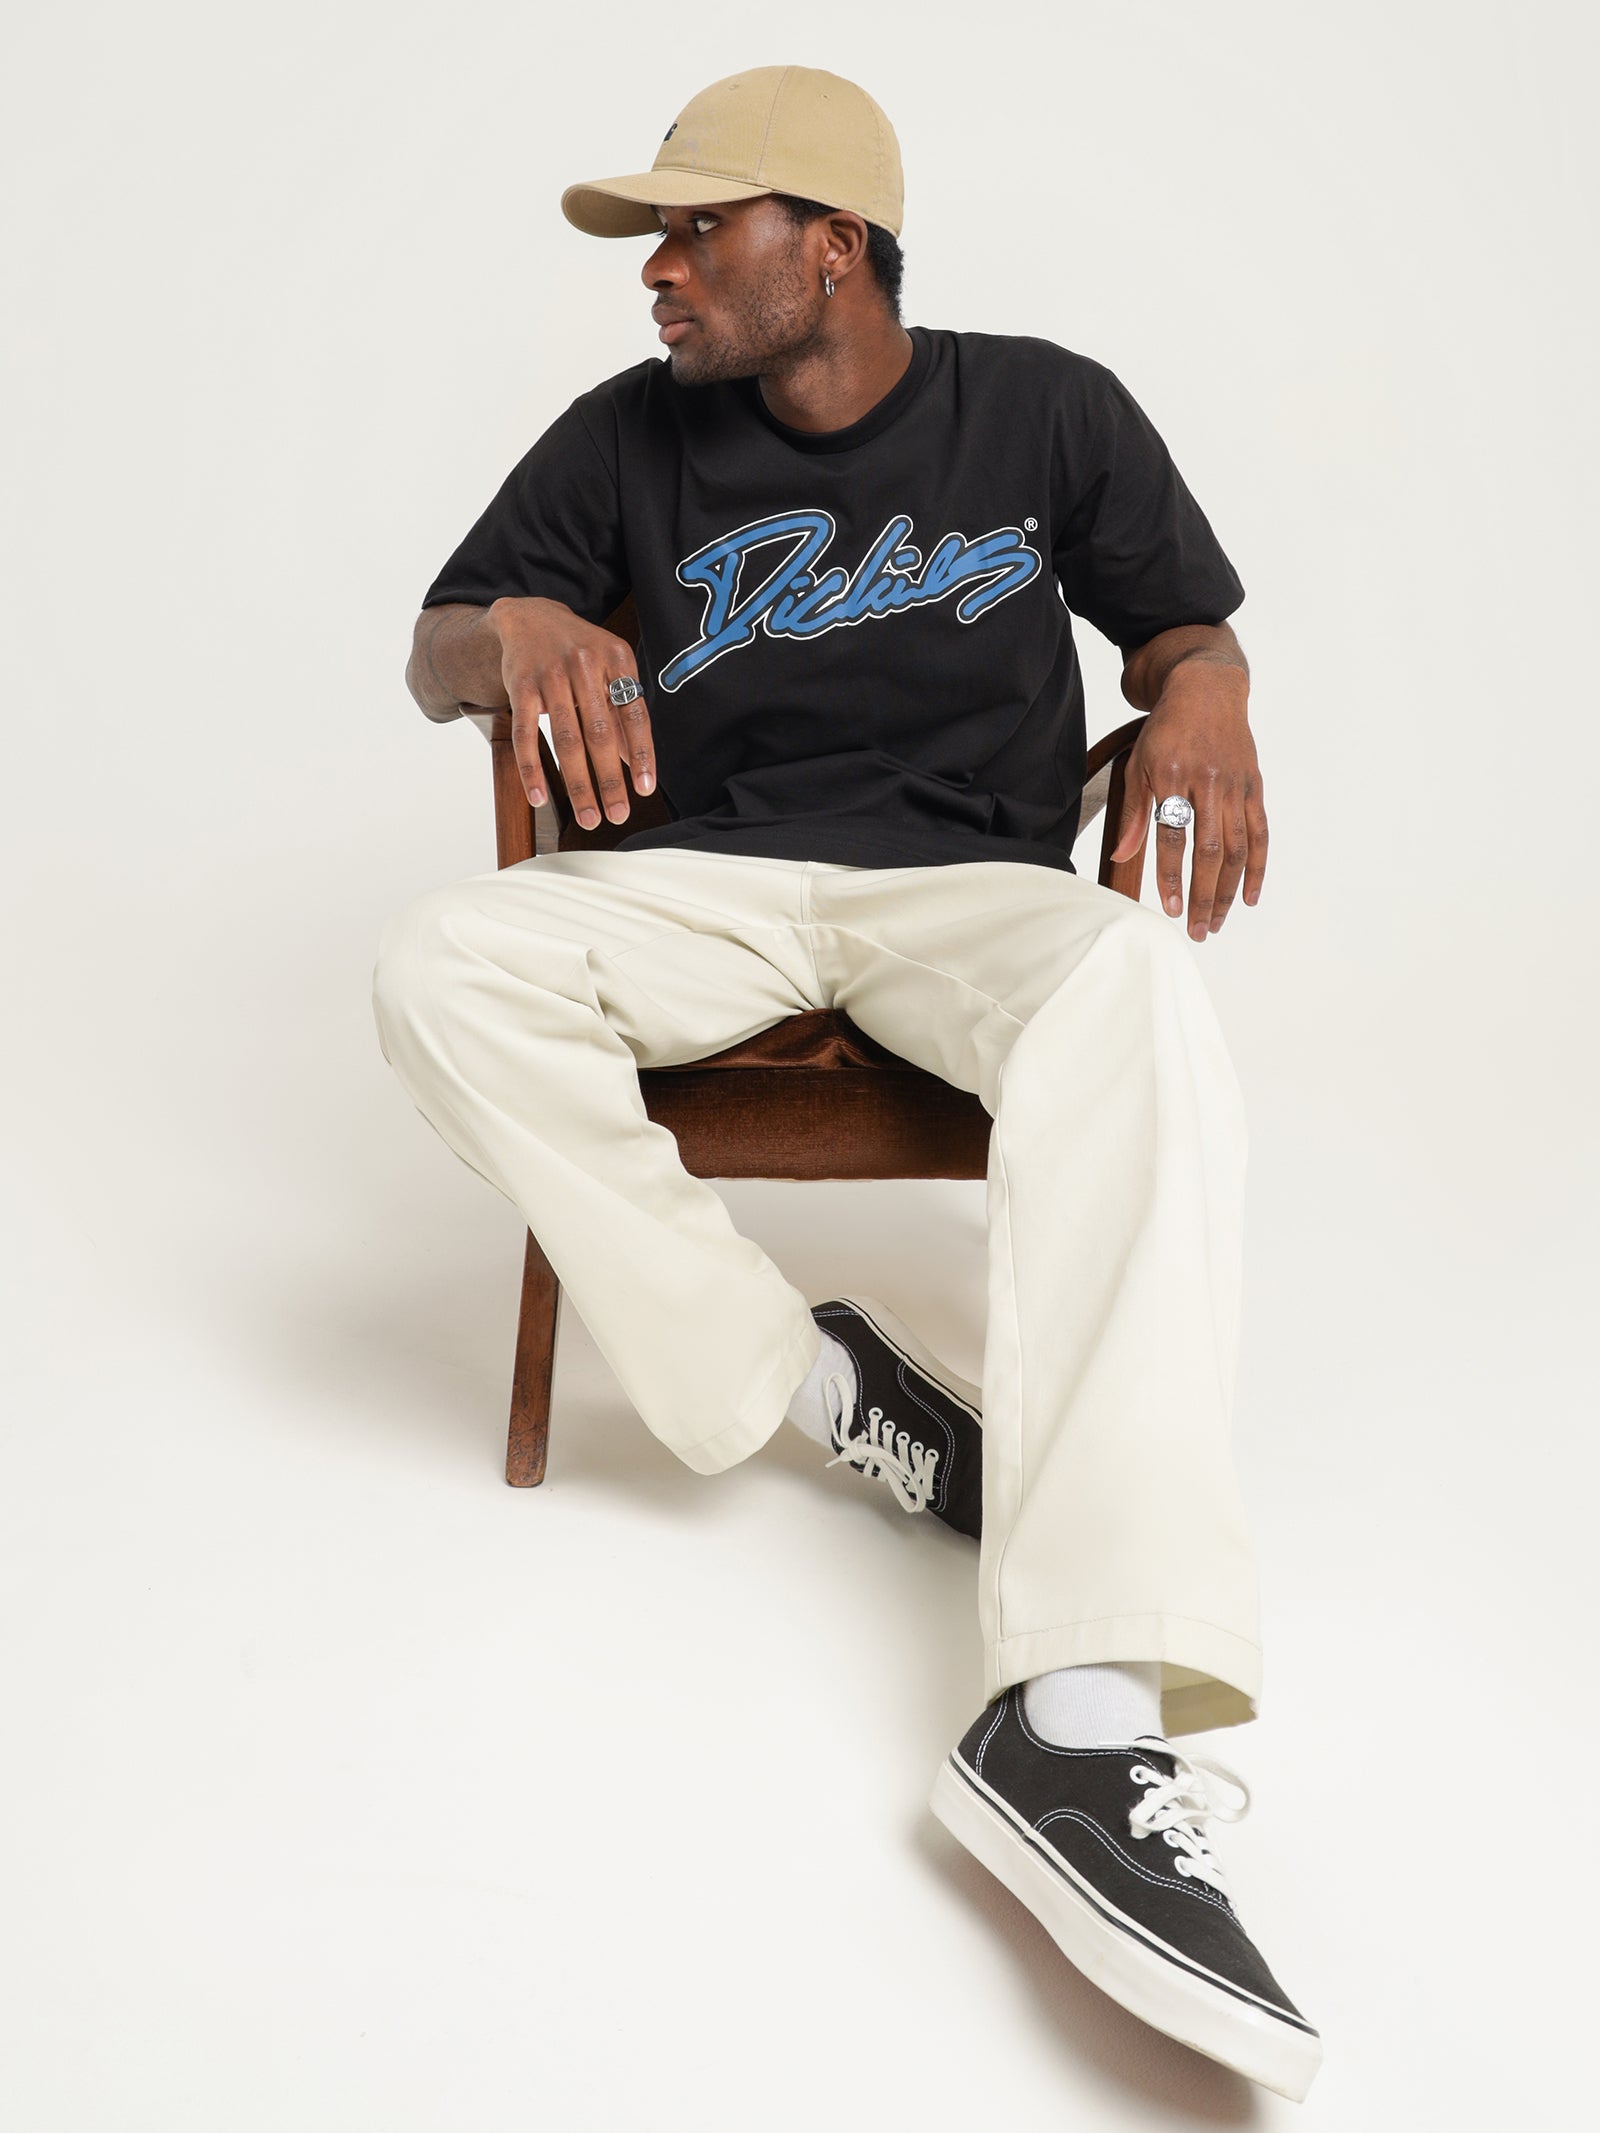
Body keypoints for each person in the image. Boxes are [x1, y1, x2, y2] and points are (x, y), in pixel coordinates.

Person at [371, 63, 1320, 2104]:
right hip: (702, 886)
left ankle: (1076, 1714)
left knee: (1135, 981)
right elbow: (436, 645)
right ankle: (810, 1387)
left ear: (831, 245)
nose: (660, 268)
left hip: (961, 892)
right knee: (439, 958)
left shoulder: (1043, 409)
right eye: (654, 236)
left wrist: (1207, 695)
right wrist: (511, 624)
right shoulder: (627, 432)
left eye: (697, 228)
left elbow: (1187, 625)